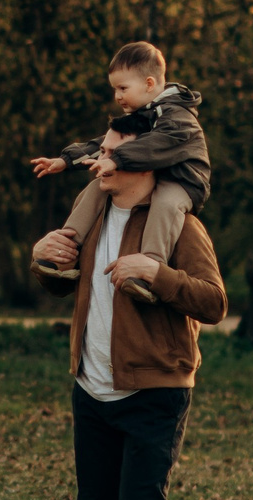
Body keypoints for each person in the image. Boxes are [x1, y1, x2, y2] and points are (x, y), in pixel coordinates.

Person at [33, 128, 227, 500]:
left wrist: (157, 274)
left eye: (114, 154)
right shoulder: (93, 214)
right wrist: (41, 257)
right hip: (92, 388)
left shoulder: (180, 225)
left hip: (156, 390)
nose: (101, 160)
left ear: (148, 160)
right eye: (102, 151)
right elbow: (61, 283)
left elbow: (214, 303)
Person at [30, 41, 211, 304]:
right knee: (95, 186)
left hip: (184, 180)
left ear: (149, 84)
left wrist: (117, 160)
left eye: (122, 88)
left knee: (166, 203)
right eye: (115, 88)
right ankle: (65, 250)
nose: (117, 96)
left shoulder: (177, 116)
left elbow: (157, 145)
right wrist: (66, 160)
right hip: (155, 173)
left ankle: (148, 269)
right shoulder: (144, 115)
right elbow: (105, 143)